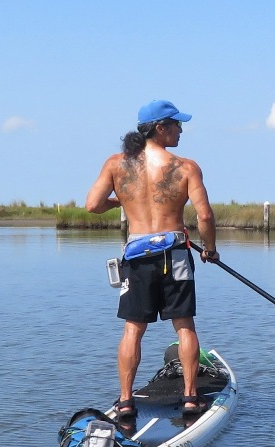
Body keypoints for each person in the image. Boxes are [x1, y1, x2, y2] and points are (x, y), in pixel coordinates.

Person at [86, 99, 219, 419]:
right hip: (174, 254)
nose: (181, 130)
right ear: (160, 128)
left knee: (133, 328)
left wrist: (123, 200)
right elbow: (205, 216)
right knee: (184, 325)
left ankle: (125, 401)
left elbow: (92, 205)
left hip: (137, 257)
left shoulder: (116, 164)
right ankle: (190, 397)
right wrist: (210, 249)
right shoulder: (186, 167)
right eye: (176, 125)